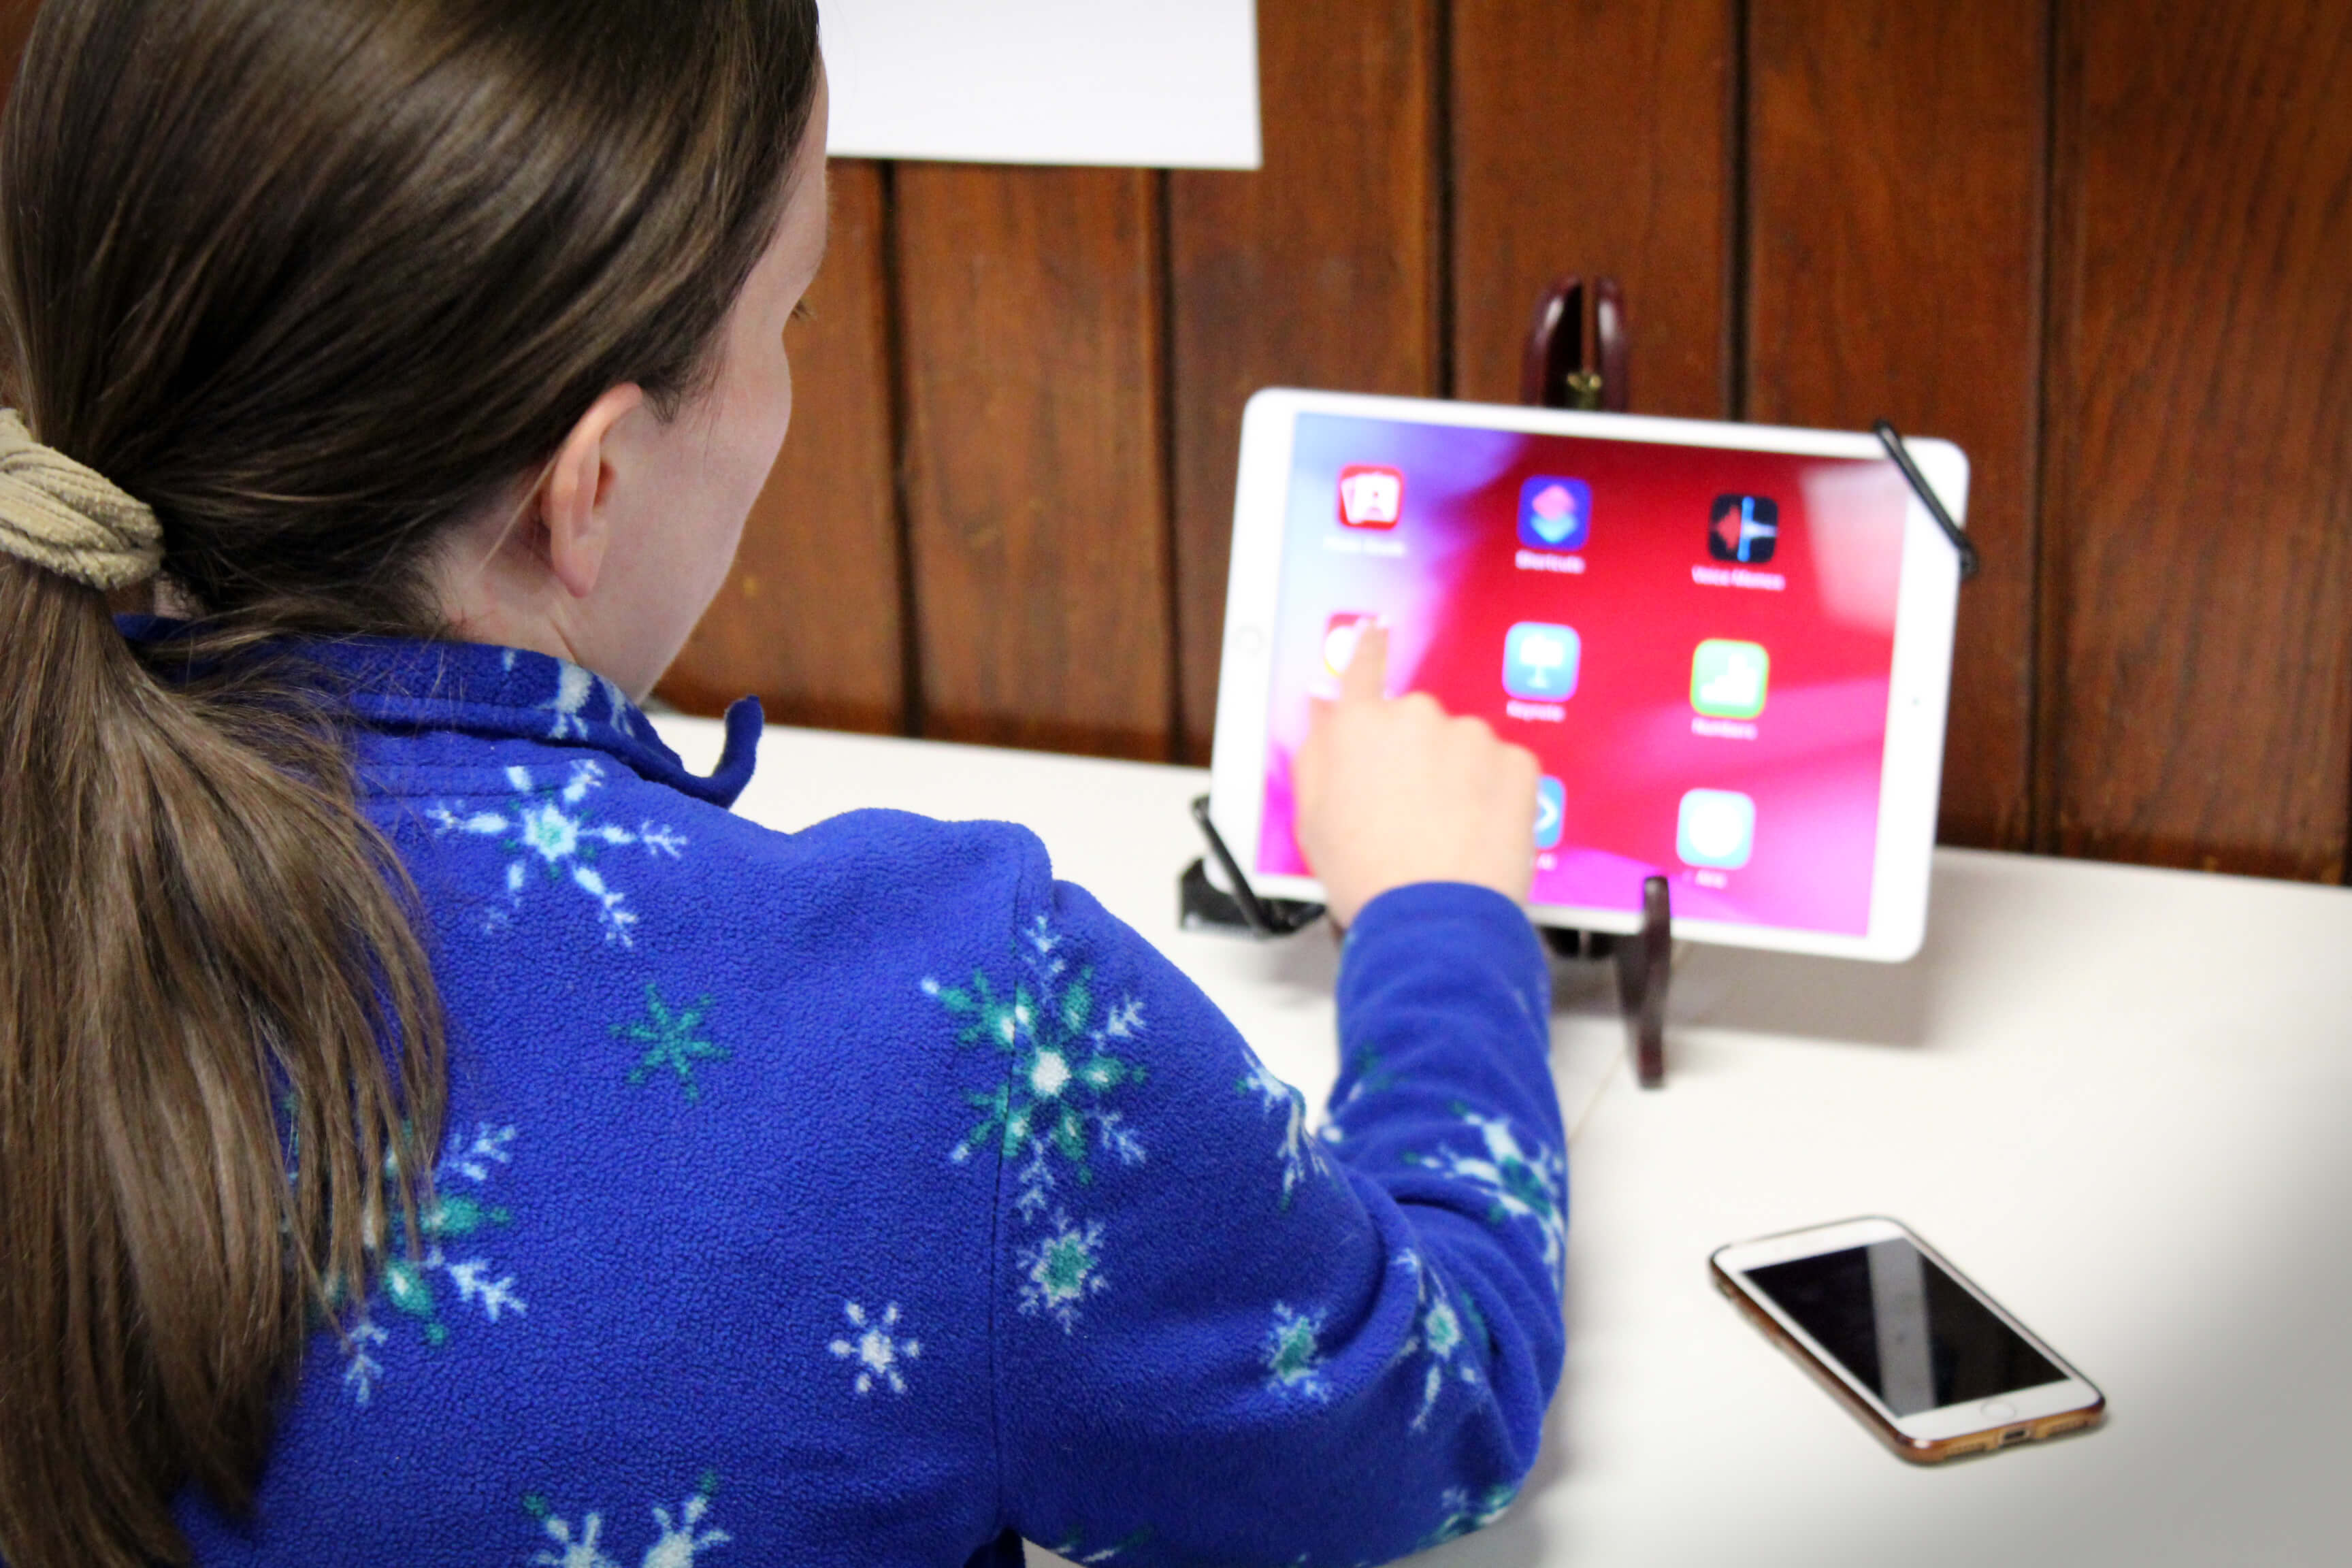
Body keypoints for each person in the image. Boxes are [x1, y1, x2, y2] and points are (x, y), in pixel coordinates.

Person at [0, 3, 1563, 1565]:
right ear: (590, 486)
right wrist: (1442, 920)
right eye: (793, 318)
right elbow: (1428, 1416)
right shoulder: (957, 1033)